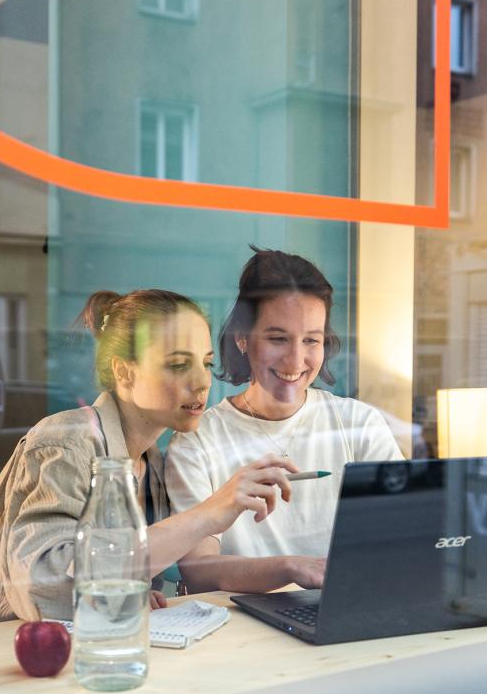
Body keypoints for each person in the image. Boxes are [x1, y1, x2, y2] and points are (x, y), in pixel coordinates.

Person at [0, 288, 295, 622]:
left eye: (207, 363)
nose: (202, 381)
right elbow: (43, 591)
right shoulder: (65, 441)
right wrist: (205, 516)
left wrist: (132, 591)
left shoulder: (151, 462)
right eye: (179, 364)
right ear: (124, 372)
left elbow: (116, 575)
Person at [165, 248, 403, 594]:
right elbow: (198, 570)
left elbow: (404, 535)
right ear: (242, 338)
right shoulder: (197, 440)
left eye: (311, 340)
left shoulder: (360, 424)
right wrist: (291, 568)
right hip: (243, 632)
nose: (295, 360)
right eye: (278, 339)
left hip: (346, 612)